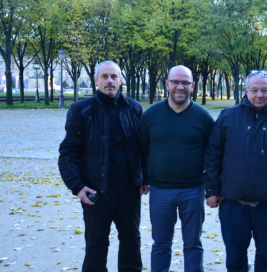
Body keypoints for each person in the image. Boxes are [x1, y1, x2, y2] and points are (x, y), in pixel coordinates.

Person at [58, 60, 149, 272]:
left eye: (114, 76)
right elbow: (68, 152)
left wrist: (146, 178)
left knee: (131, 243)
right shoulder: (81, 110)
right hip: (95, 190)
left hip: (129, 188)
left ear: (120, 80)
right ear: (96, 80)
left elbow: (144, 148)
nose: (110, 81)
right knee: (96, 246)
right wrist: (77, 187)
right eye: (105, 76)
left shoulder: (134, 109)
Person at [203, 70, 267, 272]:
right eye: (254, 90)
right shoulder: (228, 116)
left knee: (266, 256)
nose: (259, 95)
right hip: (233, 205)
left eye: (264, 90)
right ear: (246, 91)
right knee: (235, 257)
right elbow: (213, 156)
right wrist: (211, 190)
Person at [138, 65, 214, 272]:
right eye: (176, 82)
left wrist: (212, 189)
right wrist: (144, 179)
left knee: (193, 244)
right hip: (160, 191)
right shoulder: (151, 115)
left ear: (193, 86)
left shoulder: (203, 117)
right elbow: (143, 150)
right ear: (167, 84)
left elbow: (213, 155)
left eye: (185, 83)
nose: (180, 87)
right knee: (161, 244)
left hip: (193, 190)